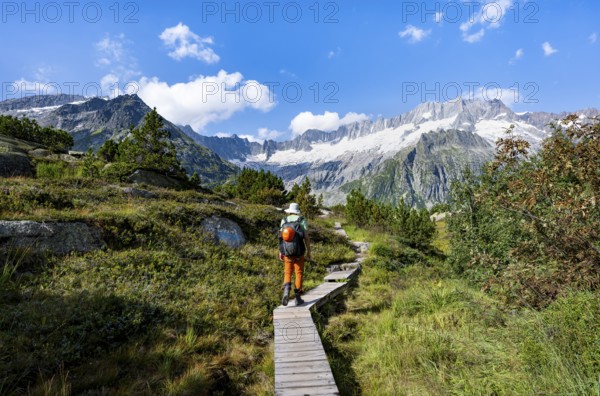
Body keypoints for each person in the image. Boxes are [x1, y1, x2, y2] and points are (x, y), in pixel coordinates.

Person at [279, 203, 311, 306]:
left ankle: (286, 289)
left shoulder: (284, 220)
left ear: (289, 211)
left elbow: (281, 237)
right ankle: (298, 297)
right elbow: (306, 237)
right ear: (297, 211)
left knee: (288, 272)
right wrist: (308, 251)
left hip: (287, 251)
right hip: (299, 251)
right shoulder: (301, 220)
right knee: (299, 272)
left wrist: (281, 251)